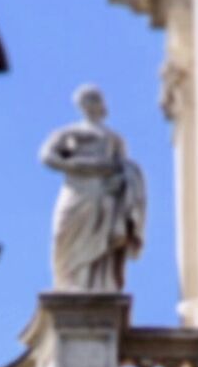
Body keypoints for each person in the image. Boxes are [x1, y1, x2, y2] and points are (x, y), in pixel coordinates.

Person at [39, 86, 145, 292]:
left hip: (102, 194)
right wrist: (78, 165)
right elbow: (46, 156)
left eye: (92, 99)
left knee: (100, 241)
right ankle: (68, 283)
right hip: (75, 191)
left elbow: (123, 167)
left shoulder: (114, 138)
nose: (87, 104)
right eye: (84, 100)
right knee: (63, 234)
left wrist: (119, 179)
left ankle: (96, 285)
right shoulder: (69, 133)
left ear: (100, 105)